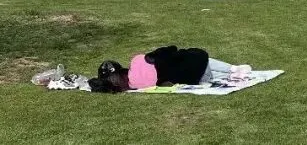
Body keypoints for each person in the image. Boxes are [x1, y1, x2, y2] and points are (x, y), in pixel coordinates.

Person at [88, 47, 250, 92]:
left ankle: (232, 73)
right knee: (195, 56)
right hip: (198, 67)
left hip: (196, 79)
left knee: (195, 64)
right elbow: (170, 50)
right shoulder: (137, 61)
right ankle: (232, 69)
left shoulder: (134, 86)